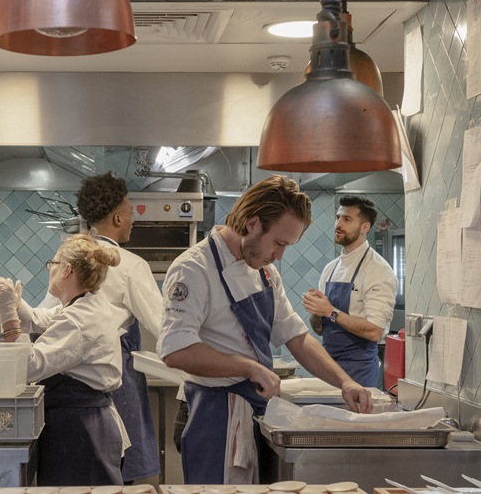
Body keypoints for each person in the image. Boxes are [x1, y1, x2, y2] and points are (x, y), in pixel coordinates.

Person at [158, 175, 374, 484]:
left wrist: (345, 383)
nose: (280, 255)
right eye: (279, 243)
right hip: (211, 413)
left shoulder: (265, 273)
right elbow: (175, 349)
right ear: (252, 223)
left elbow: (296, 337)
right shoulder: (194, 268)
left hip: (252, 409)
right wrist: (248, 368)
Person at [0, 234, 127, 486]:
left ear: (67, 270)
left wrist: (9, 315)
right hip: (83, 424)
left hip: (81, 432)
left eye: (53, 263)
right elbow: (47, 319)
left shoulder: (77, 320)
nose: (50, 268)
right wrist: (17, 304)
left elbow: (27, 366)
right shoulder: (87, 303)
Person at [76, 172, 162, 483]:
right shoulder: (129, 264)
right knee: (118, 470)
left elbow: (49, 317)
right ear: (116, 217)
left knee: (87, 473)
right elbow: (164, 326)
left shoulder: (67, 259)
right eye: (129, 212)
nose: (131, 220)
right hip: (116, 380)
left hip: (73, 384)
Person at [302, 195, 398, 388]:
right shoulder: (331, 268)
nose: (338, 224)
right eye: (338, 217)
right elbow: (320, 329)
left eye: (347, 219)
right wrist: (316, 313)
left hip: (359, 370)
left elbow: (374, 331)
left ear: (365, 227)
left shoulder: (378, 270)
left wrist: (330, 311)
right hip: (328, 365)